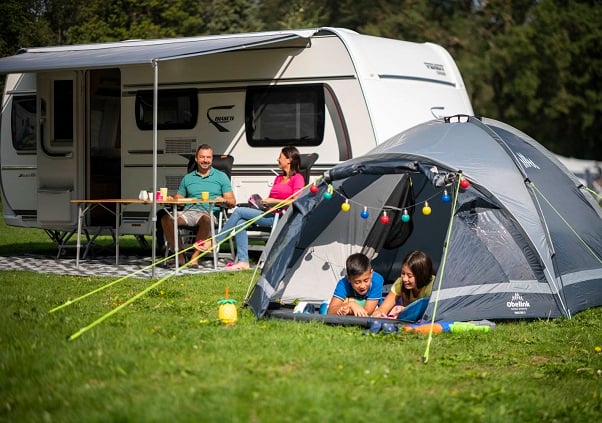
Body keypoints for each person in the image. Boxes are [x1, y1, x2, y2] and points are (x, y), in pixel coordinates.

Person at [198, 146, 304, 271]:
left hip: (282, 217)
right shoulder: (278, 178)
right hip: (269, 213)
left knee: (238, 211)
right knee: (240, 223)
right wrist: (263, 203)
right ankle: (243, 262)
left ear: (289, 160)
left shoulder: (298, 178)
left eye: (280, 157)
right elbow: (271, 198)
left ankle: (215, 242)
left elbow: (296, 201)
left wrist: (273, 202)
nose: (277, 160)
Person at [161, 144, 236, 266]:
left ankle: (194, 258)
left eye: (208, 157)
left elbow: (232, 201)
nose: (205, 160)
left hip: (209, 212)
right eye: (202, 157)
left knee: (206, 220)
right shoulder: (188, 178)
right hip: (189, 212)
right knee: (166, 219)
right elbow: (180, 197)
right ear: (196, 159)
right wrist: (171, 199)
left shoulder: (221, 177)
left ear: (212, 159)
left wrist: (223, 200)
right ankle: (179, 256)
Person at [373, 250, 435, 319]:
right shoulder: (400, 282)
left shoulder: (433, 285)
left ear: (421, 275)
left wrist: (404, 310)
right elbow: (383, 308)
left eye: (409, 276)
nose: (405, 279)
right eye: (403, 273)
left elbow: (430, 312)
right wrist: (379, 314)